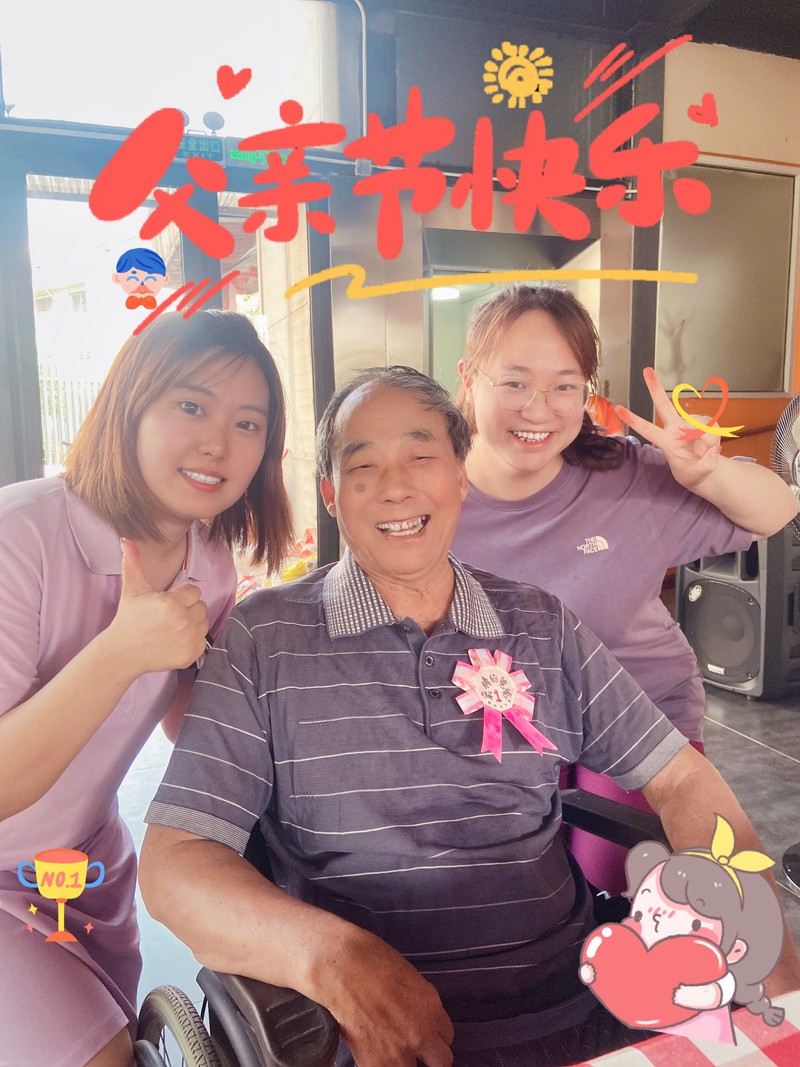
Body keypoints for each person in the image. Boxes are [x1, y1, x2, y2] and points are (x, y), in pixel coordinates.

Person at [139, 366, 800, 1067]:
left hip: (581, 997)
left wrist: (769, 958)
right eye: (363, 467)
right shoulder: (265, 638)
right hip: (373, 1031)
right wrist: (333, 959)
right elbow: (176, 860)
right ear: (330, 494)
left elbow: (681, 777)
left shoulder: (539, 623)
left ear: (460, 477)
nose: (396, 487)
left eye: (421, 456)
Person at [0, 310, 293, 1067]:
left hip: (85, 867)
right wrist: (120, 652)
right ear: (130, 404)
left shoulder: (212, 563)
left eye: (248, 422)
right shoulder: (18, 537)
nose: (218, 443)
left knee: (127, 1039)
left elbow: (183, 720)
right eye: (191, 405)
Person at [450, 282, 799, 893]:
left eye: (565, 386)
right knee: (505, 895)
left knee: (623, 888)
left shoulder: (624, 474)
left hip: (637, 719)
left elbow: (775, 511)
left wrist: (708, 474)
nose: (539, 410)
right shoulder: (430, 493)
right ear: (468, 378)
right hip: (492, 728)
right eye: (514, 382)